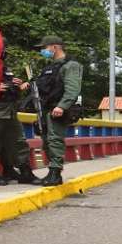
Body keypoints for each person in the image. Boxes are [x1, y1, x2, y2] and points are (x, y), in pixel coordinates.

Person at [34, 36, 83, 186]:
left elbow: (73, 89)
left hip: (59, 109)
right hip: (46, 109)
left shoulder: (71, 65)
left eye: (45, 48)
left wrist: (62, 106)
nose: (43, 51)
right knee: (46, 141)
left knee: (55, 140)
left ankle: (55, 173)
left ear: (55, 47)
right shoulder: (50, 67)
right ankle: (51, 173)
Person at [0, 53, 42, 186]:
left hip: (9, 108)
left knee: (18, 141)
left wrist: (18, 86)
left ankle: (24, 171)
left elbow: (10, 90)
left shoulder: (4, 68)